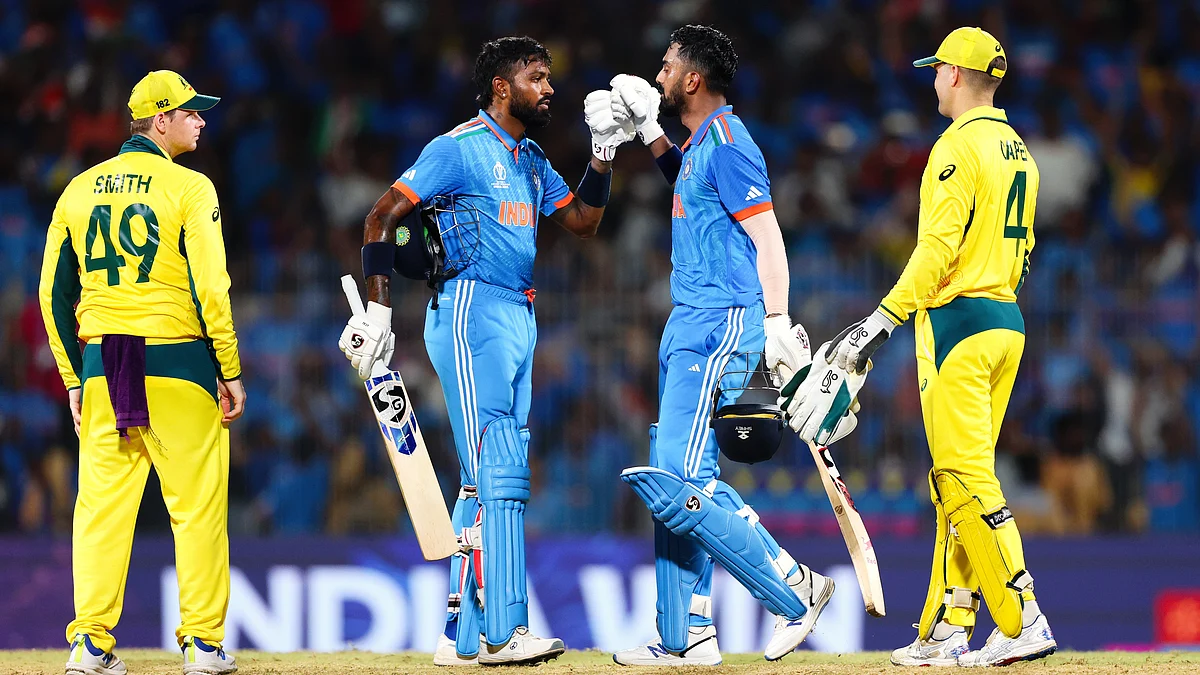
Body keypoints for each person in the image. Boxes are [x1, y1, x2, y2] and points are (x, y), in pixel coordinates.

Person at [337, 36, 631, 666]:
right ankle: (505, 631)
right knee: (500, 468)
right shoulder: (459, 148)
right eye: (538, 77)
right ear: (503, 85)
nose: (550, 88)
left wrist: (603, 156)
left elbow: (583, 221)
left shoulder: (527, 156)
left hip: (519, 313)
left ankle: (460, 634)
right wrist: (382, 310)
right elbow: (380, 217)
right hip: (471, 311)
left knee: (482, 476)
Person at [792, 28, 1059, 666]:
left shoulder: (955, 147)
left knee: (963, 478)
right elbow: (1018, 250)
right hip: (1005, 320)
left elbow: (936, 252)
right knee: (953, 481)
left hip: (958, 327)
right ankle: (946, 627)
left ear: (959, 76)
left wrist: (879, 322)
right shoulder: (1018, 149)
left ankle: (1022, 620)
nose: (933, 79)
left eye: (938, 70)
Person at [604, 25, 839, 665]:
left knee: (675, 478)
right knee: (686, 480)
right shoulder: (705, 144)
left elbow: (768, 240)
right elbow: (688, 184)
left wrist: (778, 319)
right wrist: (648, 132)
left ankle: (796, 589)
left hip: (720, 321)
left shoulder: (732, 144)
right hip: (692, 320)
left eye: (666, 67)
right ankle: (689, 637)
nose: (658, 77)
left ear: (694, 78)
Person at [40, 70, 244, 675]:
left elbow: (53, 294)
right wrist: (227, 367)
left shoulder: (77, 190)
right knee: (198, 509)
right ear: (161, 121)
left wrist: (75, 378)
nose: (201, 120)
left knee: (101, 512)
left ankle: (90, 645)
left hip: (106, 365)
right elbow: (212, 286)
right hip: (177, 361)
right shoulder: (191, 188)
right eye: (190, 112)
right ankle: (203, 646)